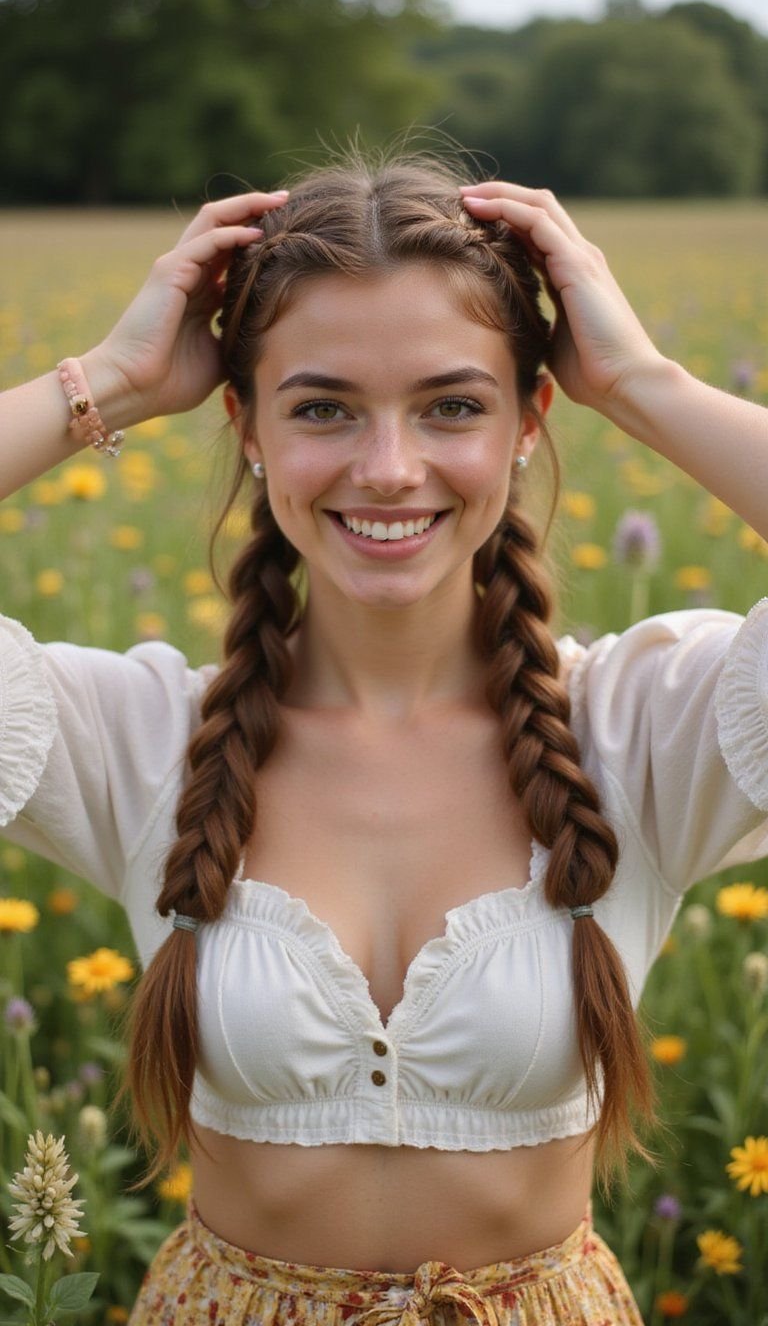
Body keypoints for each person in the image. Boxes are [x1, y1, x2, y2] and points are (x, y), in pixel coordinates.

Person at [2, 149, 767, 1326]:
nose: (389, 469)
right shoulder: (140, 738)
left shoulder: (639, 730)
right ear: (245, 425)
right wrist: (102, 382)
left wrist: (647, 382)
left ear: (530, 420)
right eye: (321, 408)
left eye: (454, 404)